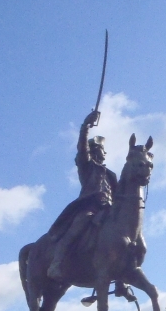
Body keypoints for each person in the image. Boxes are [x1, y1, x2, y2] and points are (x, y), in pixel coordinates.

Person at [46, 109, 118, 279]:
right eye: (101, 149)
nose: (104, 152)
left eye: (103, 150)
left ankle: (122, 277)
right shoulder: (87, 166)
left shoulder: (110, 174)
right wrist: (85, 126)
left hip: (108, 210)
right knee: (80, 223)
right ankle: (57, 261)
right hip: (90, 207)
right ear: (94, 152)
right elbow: (82, 149)